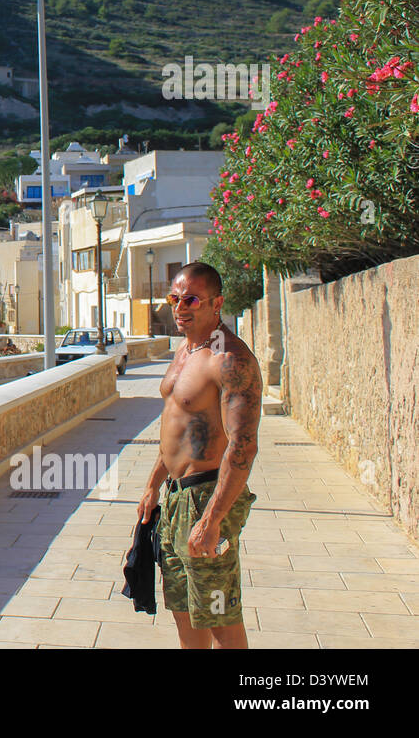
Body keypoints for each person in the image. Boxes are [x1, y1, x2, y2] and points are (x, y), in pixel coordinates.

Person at [136, 262, 262, 649]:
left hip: (207, 497)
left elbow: (243, 445)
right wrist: (154, 485)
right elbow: (179, 427)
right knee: (183, 612)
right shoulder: (186, 350)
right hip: (175, 497)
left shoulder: (230, 359)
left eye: (191, 299)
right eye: (174, 298)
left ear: (217, 303)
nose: (180, 307)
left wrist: (214, 519)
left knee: (219, 615)